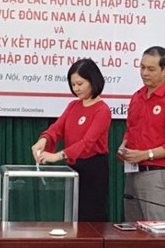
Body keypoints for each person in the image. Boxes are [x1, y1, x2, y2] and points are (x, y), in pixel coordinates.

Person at [31, 58, 111, 221]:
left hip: (93, 169)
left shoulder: (102, 110)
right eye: (73, 84)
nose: (76, 88)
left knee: (89, 216)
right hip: (73, 167)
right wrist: (43, 140)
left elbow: (87, 143)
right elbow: (57, 128)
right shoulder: (73, 106)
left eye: (80, 84)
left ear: (93, 81)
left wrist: (57, 156)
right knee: (72, 215)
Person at [117, 46, 165, 221]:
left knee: (158, 233)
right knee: (133, 231)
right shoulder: (137, 97)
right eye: (142, 67)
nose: (144, 73)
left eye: (150, 69)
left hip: (156, 174)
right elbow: (130, 130)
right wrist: (123, 146)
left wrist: (145, 154)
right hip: (132, 173)